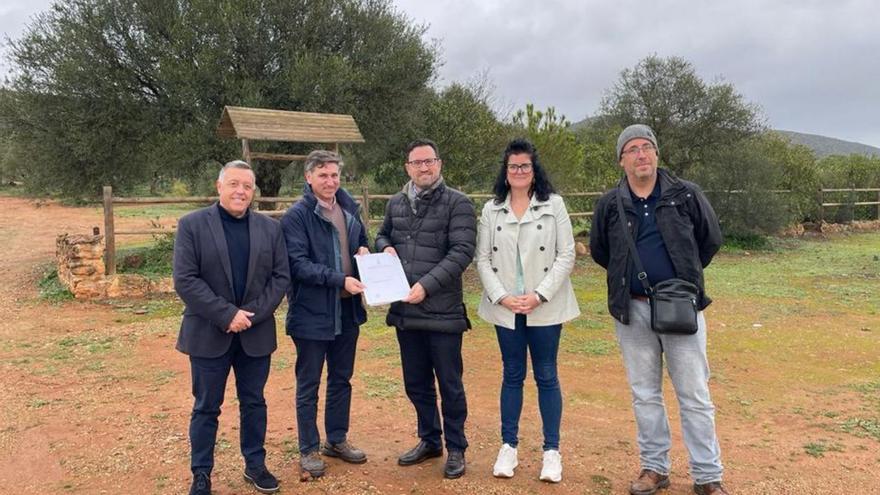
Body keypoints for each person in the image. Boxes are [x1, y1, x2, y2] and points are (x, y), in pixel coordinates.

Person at [589, 124, 728, 495]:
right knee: (645, 393)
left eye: (646, 147)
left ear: (656, 154)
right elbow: (601, 251)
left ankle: (707, 475)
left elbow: (709, 240)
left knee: (694, 394)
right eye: (632, 149)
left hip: (682, 308)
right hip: (633, 312)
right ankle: (655, 468)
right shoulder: (611, 203)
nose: (641, 154)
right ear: (622, 160)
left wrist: (682, 279)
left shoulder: (685, 195)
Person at [173, 160, 290, 495]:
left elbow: (281, 276)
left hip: (256, 333)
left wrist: (251, 314)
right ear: (219, 186)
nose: (241, 191)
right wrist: (227, 315)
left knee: (254, 402)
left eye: (247, 186)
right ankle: (201, 473)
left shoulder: (270, 228)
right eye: (234, 184)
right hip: (209, 333)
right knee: (206, 406)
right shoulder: (192, 225)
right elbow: (185, 279)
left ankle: (255, 465)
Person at [475, 138, 579, 483]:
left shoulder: (555, 205)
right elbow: (483, 259)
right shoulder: (492, 209)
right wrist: (502, 296)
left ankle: (552, 451)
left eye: (525, 166)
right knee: (512, 374)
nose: (519, 171)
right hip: (507, 307)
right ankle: (509, 445)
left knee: (547, 374)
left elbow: (566, 255)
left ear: (534, 172)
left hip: (543, 305)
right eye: (513, 166)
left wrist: (540, 294)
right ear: (505, 172)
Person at [374, 138, 476, 479]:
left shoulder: (458, 204)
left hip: (443, 313)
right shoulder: (396, 203)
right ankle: (430, 439)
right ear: (408, 168)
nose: (423, 168)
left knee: (450, 384)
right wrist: (385, 247)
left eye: (429, 161)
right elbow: (381, 235)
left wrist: (426, 286)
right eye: (416, 163)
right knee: (416, 383)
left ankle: (457, 447)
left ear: (439, 164)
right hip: (406, 313)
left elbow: (461, 252)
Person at [280, 150, 370, 478]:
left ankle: (337, 439)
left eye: (334, 175)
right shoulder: (296, 217)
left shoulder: (349, 210)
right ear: (308, 178)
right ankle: (308, 448)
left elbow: (361, 242)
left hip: (347, 309)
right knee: (309, 383)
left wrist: (363, 250)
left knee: (341, 378)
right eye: (323, 175)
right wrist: (339, 279)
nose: (330, 181)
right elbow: (298, 264)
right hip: (311, 312)